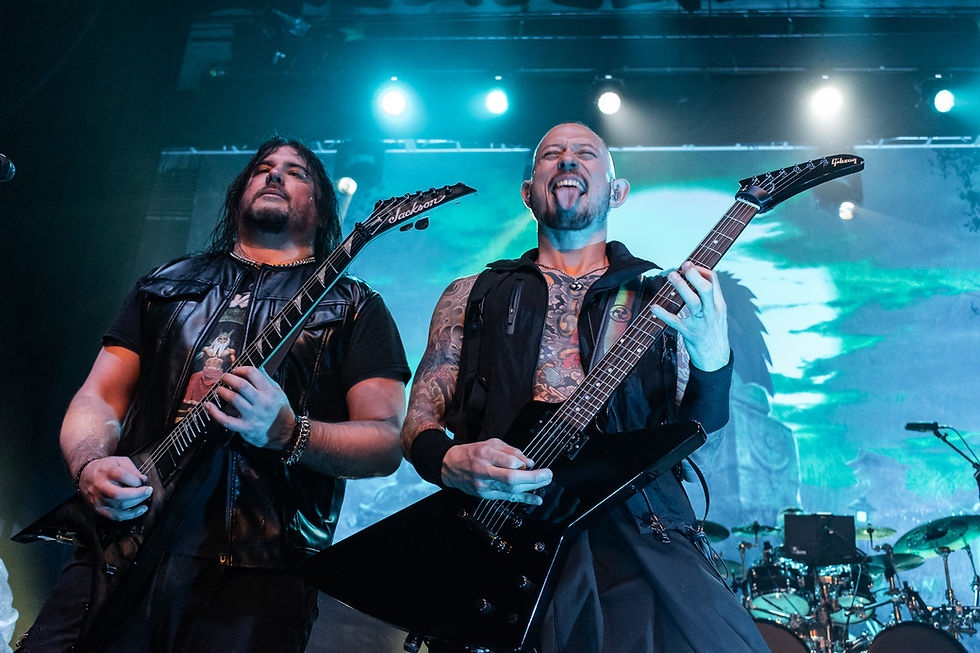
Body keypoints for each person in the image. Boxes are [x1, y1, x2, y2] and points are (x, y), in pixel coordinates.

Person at [18, 138, 411, 652]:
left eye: (297, 173)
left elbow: (385, 443)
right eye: (263, 168)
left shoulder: (355, 305)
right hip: (119, 545)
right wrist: (89, 464)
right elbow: (99, 397)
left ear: (321, 208)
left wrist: (290, 433)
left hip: (260, 573)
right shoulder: (166, 284)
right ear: (238, 193)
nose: (274, 176)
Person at [401, 123, 769, 652]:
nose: (567, 161)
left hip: (641, 537)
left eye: (585, 154)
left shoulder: (661, 295)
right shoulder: (471, 294)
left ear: (617, 193)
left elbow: (701, 436)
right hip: (504, 540)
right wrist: (447, 461)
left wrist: (713, 356)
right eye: (551, 154)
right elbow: (418, 420)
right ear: (528, 192)